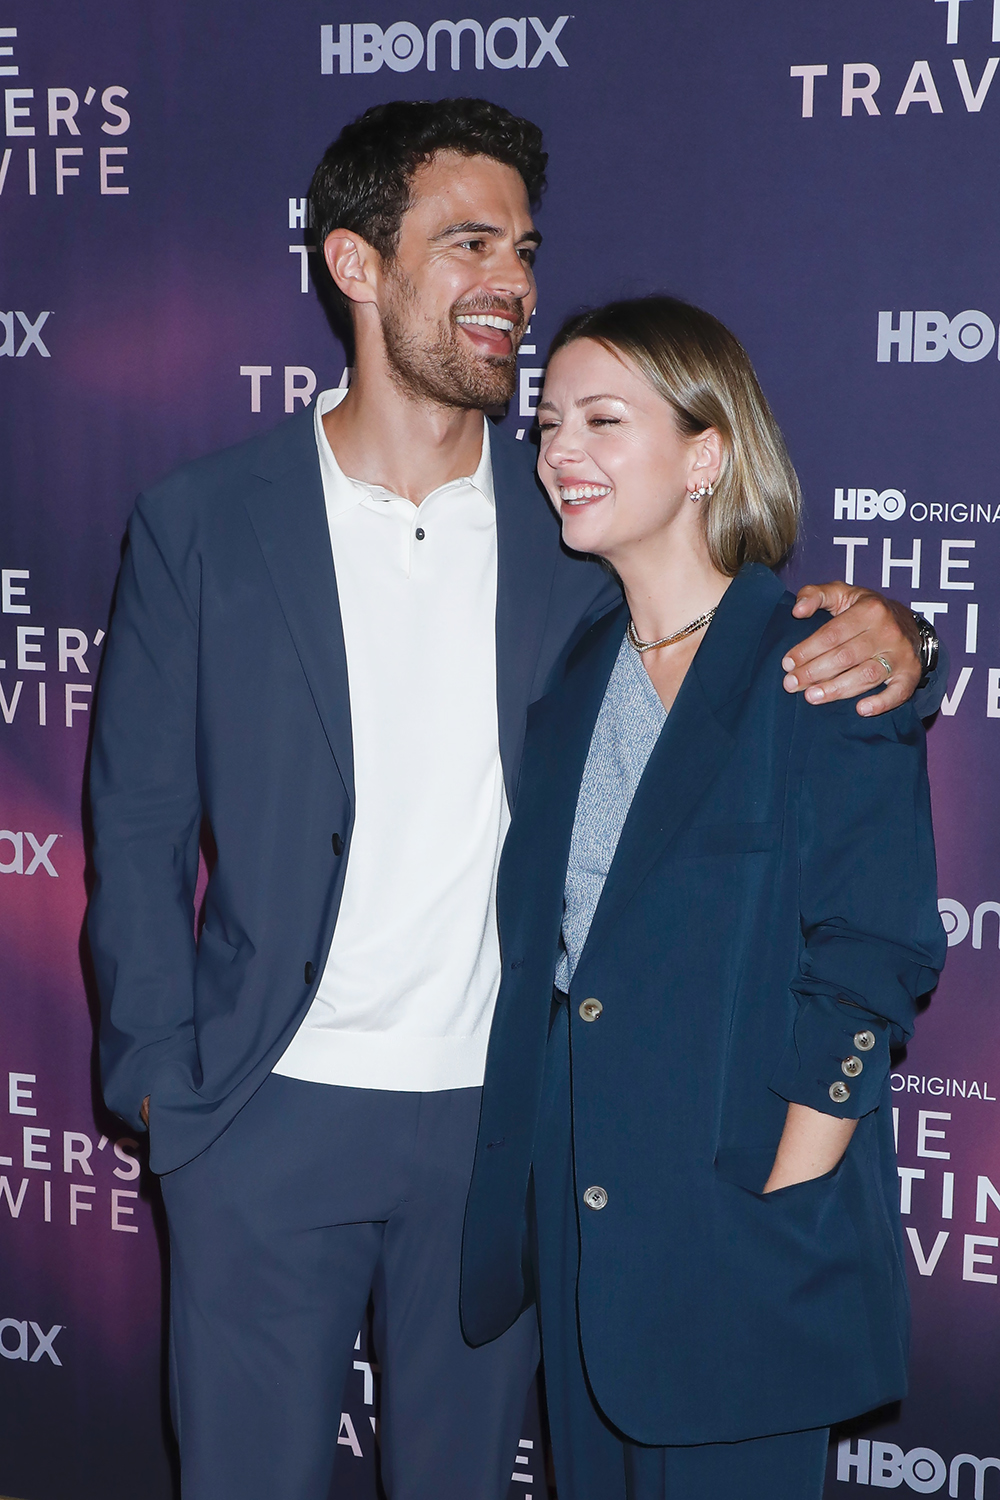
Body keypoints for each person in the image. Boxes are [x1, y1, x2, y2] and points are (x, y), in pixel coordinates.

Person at [87, 97, 941, 1500]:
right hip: (260, 1118)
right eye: (468, 243)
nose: (513, 287)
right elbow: (133, 833)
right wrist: (166, 1099)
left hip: (502, 1137)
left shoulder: (573, 539)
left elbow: (749, 637)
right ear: (354, 266)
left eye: (526, 250)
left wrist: (908, 647)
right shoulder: (204, 521)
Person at [461, 296, 947, 1500]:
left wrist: (788, 1178)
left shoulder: (815, 655)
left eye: (603, 419)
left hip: (739, 1216)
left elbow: (873, 948)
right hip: (583, 1217)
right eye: (548, 421)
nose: (558, 449)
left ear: (705, 453)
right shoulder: (576, 669)